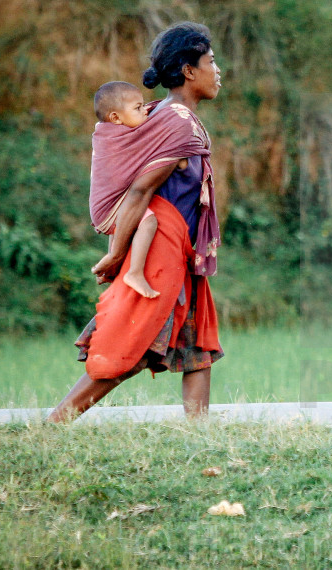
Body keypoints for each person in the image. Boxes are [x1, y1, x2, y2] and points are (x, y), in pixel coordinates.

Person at [48, 22, 224, 423]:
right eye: (211, 62)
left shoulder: (164, 116)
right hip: (162, 245)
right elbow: (141, 191)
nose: (219, 71)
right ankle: (57, 422)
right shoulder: (175, 121)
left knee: (196, 346)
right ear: (188, 71)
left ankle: (201, 435)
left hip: (179, 249)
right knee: (134, 340)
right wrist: (115, 254)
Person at [91, 80, 163, 299]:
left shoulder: (104, 131)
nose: (145, 113)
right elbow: (153, 139)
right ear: (115, 118)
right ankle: (135, 272)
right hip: (109, 207)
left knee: (123, 223)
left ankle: (111, 269)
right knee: (148, 221)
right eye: (138, 108)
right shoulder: (120, 137)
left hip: (107, 205)